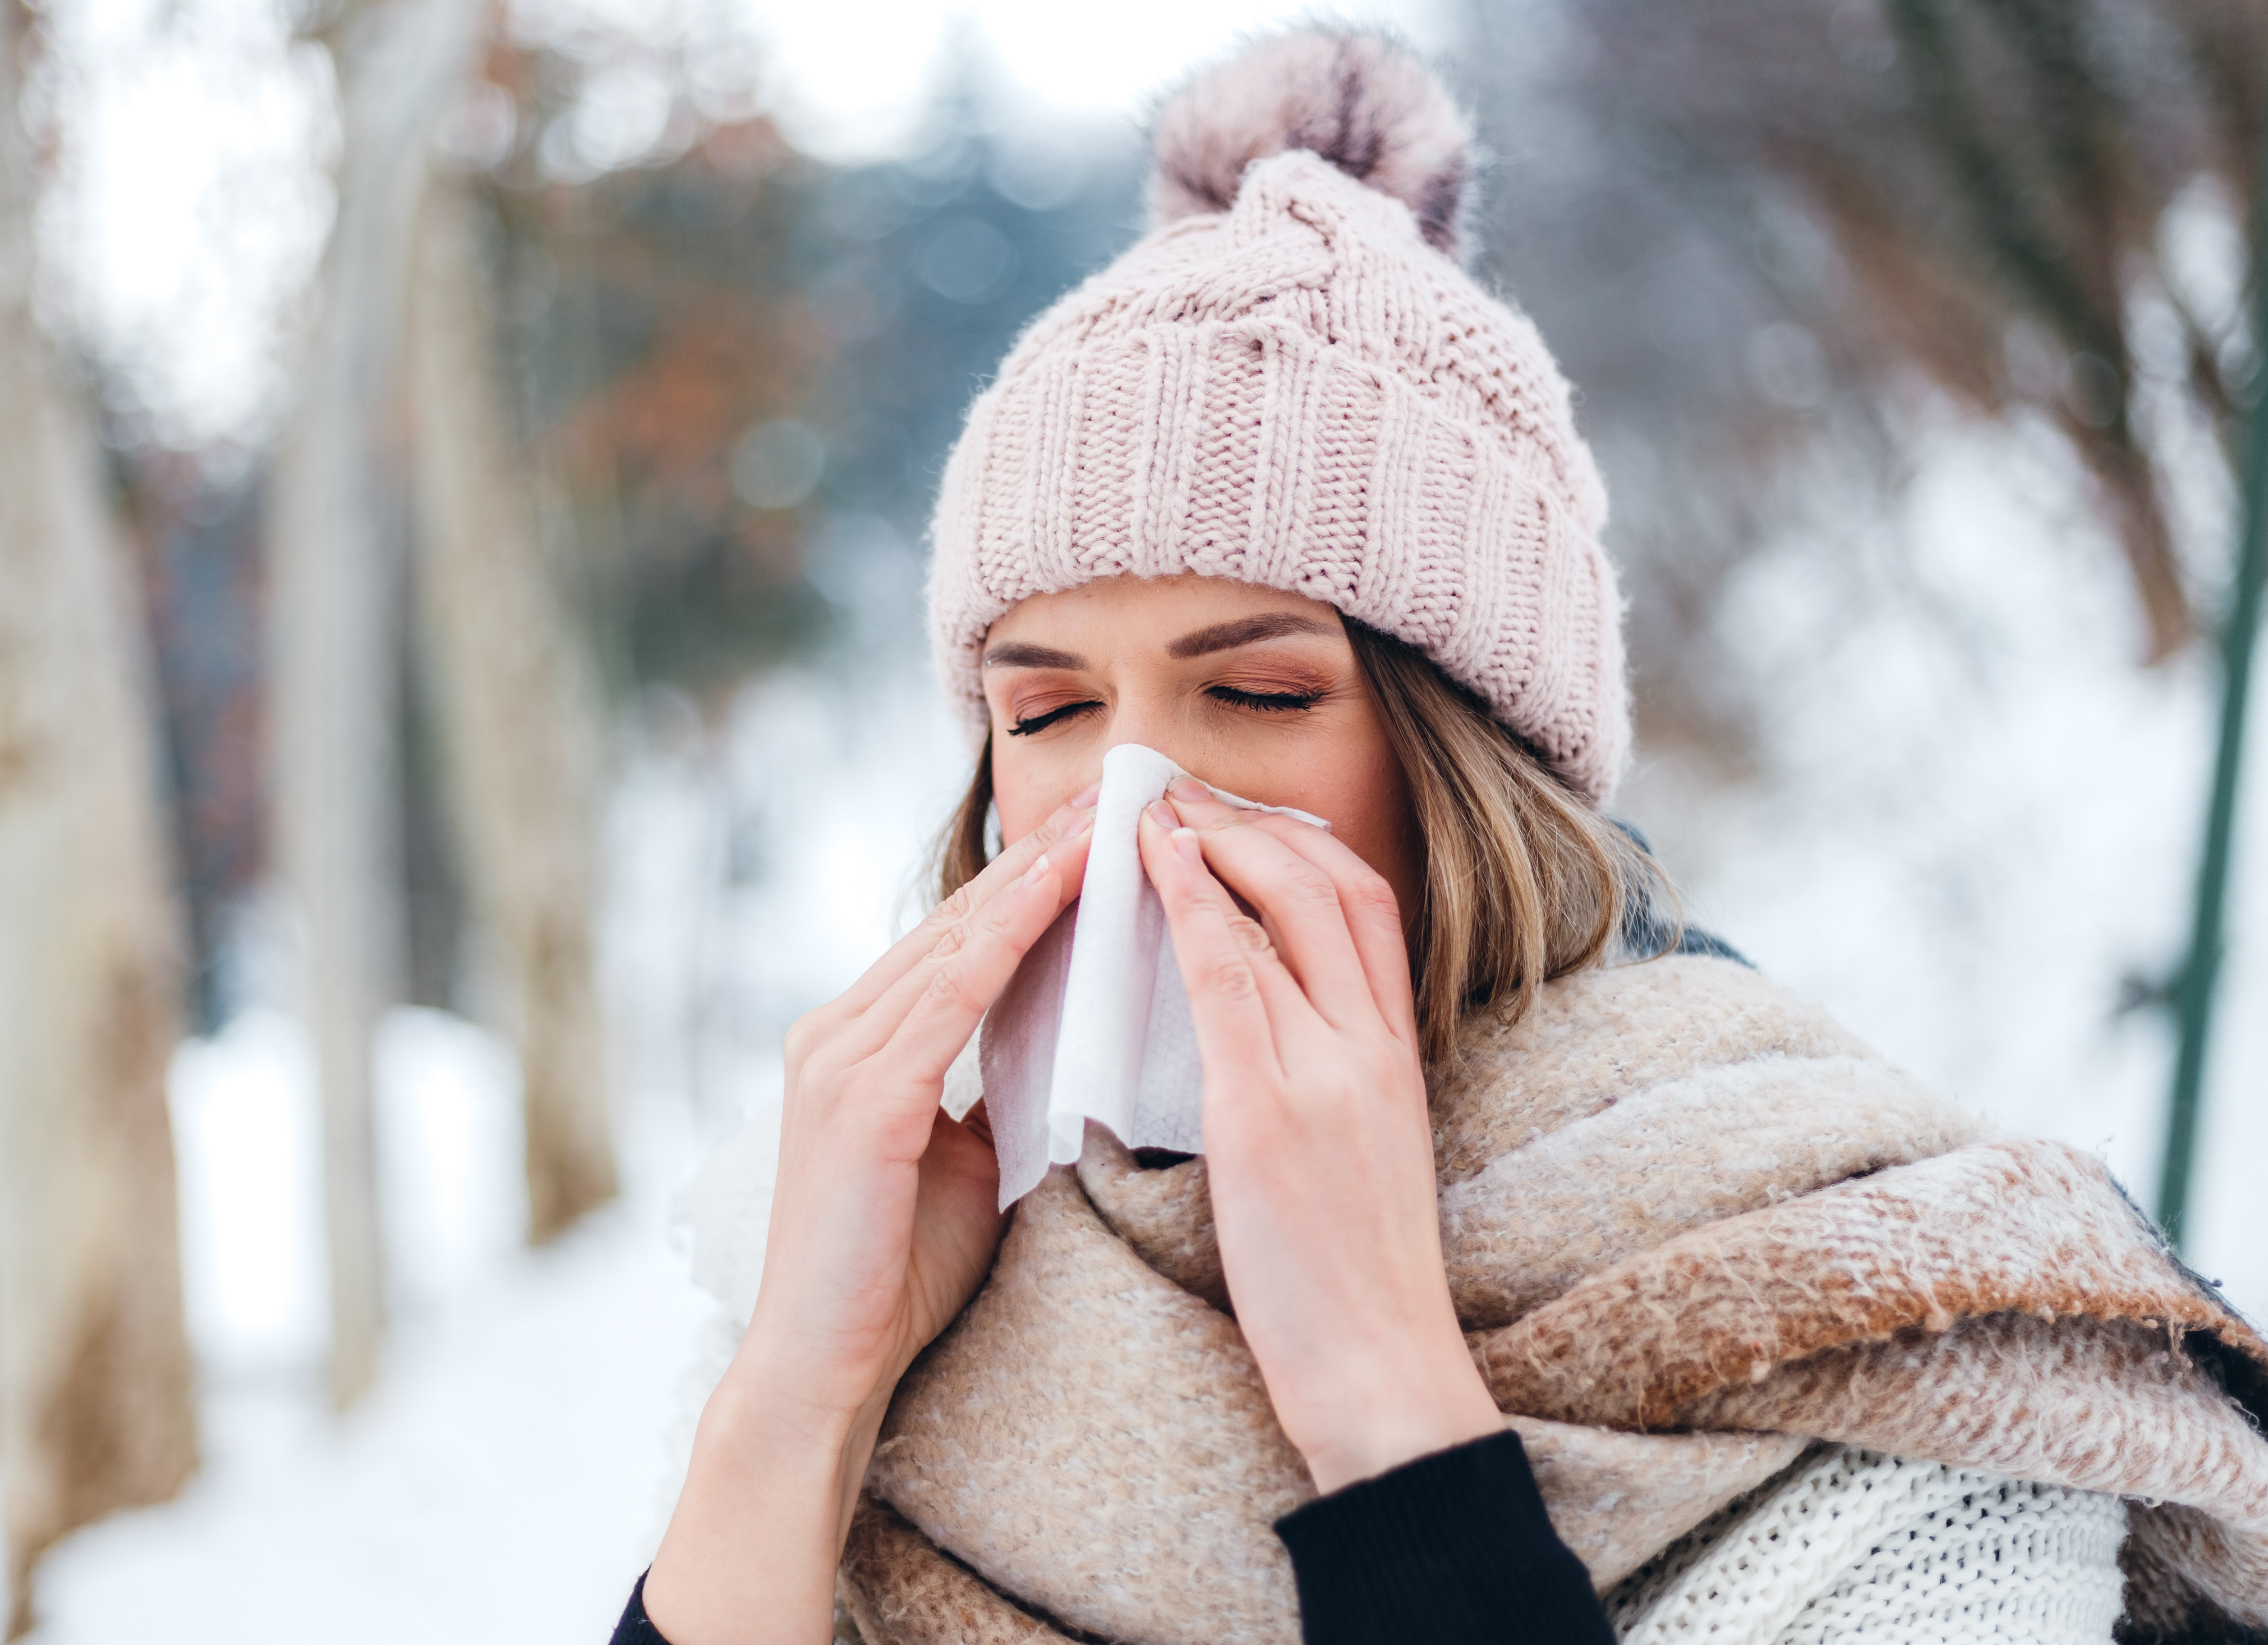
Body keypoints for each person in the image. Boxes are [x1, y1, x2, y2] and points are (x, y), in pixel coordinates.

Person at [618, 28, 2268, 1645]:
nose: (1132, 801)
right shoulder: (906, 1295)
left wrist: (1387, 1406)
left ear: (1469, 760)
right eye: (1044, 715)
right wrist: (797, 1407)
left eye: (1259, 693)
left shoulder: (1892, 1337)